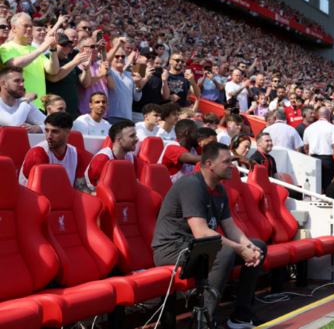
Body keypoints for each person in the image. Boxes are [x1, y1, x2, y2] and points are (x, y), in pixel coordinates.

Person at [152, 141, 267, 328]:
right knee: (225, 252)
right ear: (209, 164)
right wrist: (239, 249)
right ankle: (206, 322)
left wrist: (248, 246)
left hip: (197, 246)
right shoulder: (192, 185)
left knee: (259, 246)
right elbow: (202, 233)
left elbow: (230, 227)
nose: (232, 165)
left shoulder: (219, 188)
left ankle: (241, 315)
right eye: (227, 161)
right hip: (172, 249)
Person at [0, 13, 59, 109]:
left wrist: (53, 49)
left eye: (30, 26)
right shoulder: (6, 47)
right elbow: (14, 64)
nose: (29, 29)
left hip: (39, 105)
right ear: (14, 28)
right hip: (18, 104)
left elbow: (53, 70)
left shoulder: (34, 50)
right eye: (25, 26)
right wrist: (41, 49)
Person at [19, 112, 89, 192]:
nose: (49, 136)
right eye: (47, 130)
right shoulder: (37, 153)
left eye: (55, 132)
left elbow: (81, 188)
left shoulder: (76, 154)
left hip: (61, 199)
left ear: (67, 132)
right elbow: (40, 192)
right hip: (36, 201)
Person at [85, 120, 143, 191]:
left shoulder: (131, 158)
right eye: (132, 136)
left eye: (135, 135)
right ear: (119, 140)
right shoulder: (102, 158)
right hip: (96, 197)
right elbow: (102, 190)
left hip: (118, 194)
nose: (137, 139)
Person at [46, 35, 95, 119]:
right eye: (63, 44)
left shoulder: (68, 62)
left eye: (68, 45)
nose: (66, 47)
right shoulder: (47, 58)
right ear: (54, 44)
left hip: (71, 112)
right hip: (55, 111)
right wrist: (74, 62)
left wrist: (86, 67)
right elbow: (54, 77)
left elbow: (85, 83)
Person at [303, 107, 334, 193]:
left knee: (314, 187)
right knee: (328, 187)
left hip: (312, 159)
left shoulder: (309, 128)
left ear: (318, 115)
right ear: (328, 115)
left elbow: (305, 147)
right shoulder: (332, 127)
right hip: (327, 160)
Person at [0, 66, 46, 132]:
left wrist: (37, 128)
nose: (22, 84)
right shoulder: (25, 101)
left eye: (22, 81)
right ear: (3, 83)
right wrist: (26, 100)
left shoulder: (24, 102)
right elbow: (14, 124)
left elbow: (52, 124)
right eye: (17, 81)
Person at [132, 53, 170, 123]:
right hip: (138, 112)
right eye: (157, 63)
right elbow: (136, 90)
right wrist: (146, 77)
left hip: (154, 113)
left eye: (160, 63)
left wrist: (164, 81)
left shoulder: (161, 76)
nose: (159, 65)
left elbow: (166, 96)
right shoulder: (138, 71)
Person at [108, 48, 143, 123]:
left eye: (123, 56)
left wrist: (138, 84)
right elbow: (106, 61)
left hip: (128, 117)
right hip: (111, 115)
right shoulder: (109, 72)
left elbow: (137, 98)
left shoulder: (129, 75)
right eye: (117, 56)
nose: (120, 58)